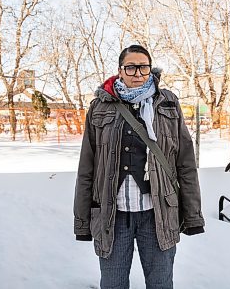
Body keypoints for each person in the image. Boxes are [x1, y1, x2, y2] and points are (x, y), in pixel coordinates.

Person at [74, 44, 205, 289]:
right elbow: (87, 167)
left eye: (142, 67)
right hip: (112, 214)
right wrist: (82, 221)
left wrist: (193, 215)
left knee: (160, 284)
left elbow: (185, 163)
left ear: (150, 70)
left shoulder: (167, 103)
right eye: (131, 67)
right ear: (120, 70)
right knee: (113, 284)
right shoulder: (99, 106)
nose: (137, 73)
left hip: (158, 214)